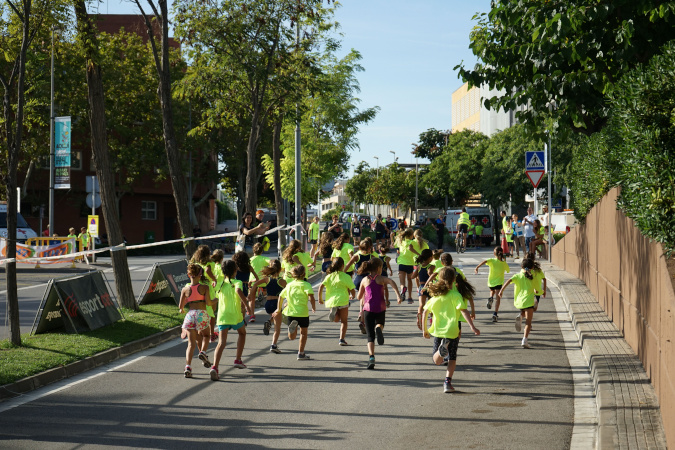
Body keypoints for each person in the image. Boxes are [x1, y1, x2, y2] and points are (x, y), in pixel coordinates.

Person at [422, 267, 480, 393]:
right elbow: (463, 311)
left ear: (439, 278)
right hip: (453, 331)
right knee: (452, 358)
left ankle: (441, 352)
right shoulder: (456, 295)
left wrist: (424, 329)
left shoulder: (435, 296)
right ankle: (447, 382)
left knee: (436, 361)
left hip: (438, 331)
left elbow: (425, 311)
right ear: (454, 279)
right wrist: (472, 326)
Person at [209, 260, 253, 380]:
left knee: (221, 343)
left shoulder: (220, 283)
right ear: (235, 270)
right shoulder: (237, 282)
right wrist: (247, 306)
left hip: (223, 316)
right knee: (242, 333)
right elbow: (238, 291)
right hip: (235, 316)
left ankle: (215, 367)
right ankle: (238, 359)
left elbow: (215, 298)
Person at [357, 257, 403, 369]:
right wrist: (398, 295)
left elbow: (359, 297)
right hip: (380, 308)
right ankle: (379, 328)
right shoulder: (381, 278)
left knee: (370, 336)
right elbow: (391, 282)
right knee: (380, 324)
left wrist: (364, 295)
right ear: (379, 268)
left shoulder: (364, 280)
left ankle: (371, 357)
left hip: (368, 309)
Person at [272, 265, 316, 360]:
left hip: (291, 313)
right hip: (303, 313)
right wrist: (313, 307)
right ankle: (301, 353)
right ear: (304, 274)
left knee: (292, 337)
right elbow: (311, 297)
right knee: (303, 333)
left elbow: (280, 296)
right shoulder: (306, 285)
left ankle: (291, 329)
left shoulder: (289, 285)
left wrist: (278, 309)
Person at [179, 263, 215, 378]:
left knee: (190, 344)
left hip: (190, 315)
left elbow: (181, 306)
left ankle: (188, 367)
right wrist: (216, 300)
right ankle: (203, 352)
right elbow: (209, 303)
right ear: (200, 275)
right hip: (201, 314)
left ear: (189, 275)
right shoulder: (205, 287)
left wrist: (182, 310)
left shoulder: (185, 289)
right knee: (206, 335)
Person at [250, 259, 287, 353]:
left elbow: (255, 284)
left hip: (267, 304)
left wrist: (251, 293)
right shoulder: (282, 281)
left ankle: (269, 321)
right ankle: (273, 345)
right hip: (275, 303)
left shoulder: (267, 279)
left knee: (278, 316)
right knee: (277, 328)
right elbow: (289, 291)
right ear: (279, 270)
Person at [499, 257, 536, 348]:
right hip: (528, 301)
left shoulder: (517, 276)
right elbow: (536, 288)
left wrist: (501, 291)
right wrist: (536, 291)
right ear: (531, 268)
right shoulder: (532, 276)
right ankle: (524, 339)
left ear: (521, 266)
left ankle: (520, 316)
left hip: (519, 302)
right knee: (528, 322)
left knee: (524, 312)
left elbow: (508, 281)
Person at [318, 257, 356, 346]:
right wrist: (352, 295)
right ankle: (342, 339)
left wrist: (320, 298)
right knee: (344, 321)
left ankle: (334, 313)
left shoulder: (329, 276)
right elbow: (352, 289)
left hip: (332, 301)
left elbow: (321, 286)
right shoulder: (346, 276)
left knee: (336, 320)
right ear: (343, 266)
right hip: (343, 300)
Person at [474, 246, 510, 323]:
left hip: (491, 281)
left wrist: (477, 267)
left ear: (494, 253)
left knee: (492, 290)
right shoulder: (503, 263)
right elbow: (508, 270)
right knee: (498, 299)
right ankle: (495, 314)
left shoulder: (492, 260)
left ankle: (490, 297)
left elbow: (484, 261)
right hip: (499, 282)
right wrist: (504, 261)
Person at [233, 251, 259, 322]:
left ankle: (237, 318)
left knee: (236, 303)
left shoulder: (236, 267)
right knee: (243, 304)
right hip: (245, 286)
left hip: (236, 285)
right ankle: (243, 319)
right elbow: (257, 278)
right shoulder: (249, 267)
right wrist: (250, 281)